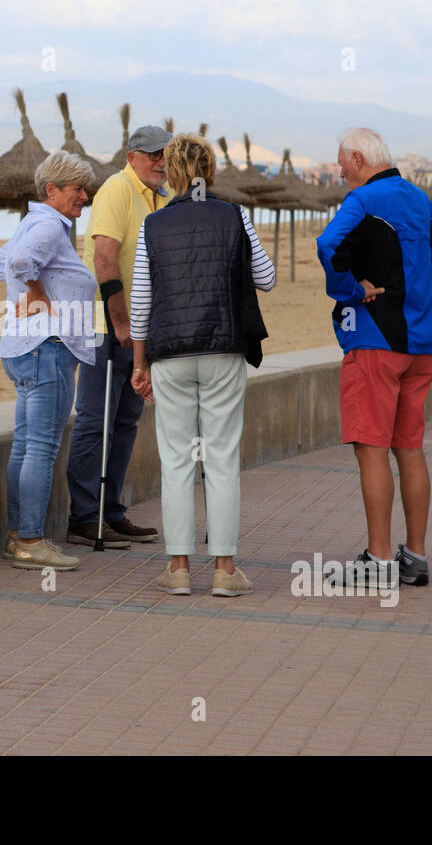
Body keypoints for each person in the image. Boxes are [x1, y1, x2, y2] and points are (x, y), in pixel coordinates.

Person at [130, 134, 274, 596]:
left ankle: (177, 569)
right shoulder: (235, 216)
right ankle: (225, 571)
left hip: (169, 352)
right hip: (223, 348)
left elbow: (140, 305)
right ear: (210, 171)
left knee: (175, 461)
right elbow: (266, 278)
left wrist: (140, 364)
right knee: (222, 458)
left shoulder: (153, 226)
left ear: (169, 173)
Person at [316, 128, 432, 589]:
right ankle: (414, 556)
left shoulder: (364, 200)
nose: (339, 172)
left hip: (376, 341)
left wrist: (353, 290)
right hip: (422, 342)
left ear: (358, 158)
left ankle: (377, 561)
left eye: (341, 163)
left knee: (371, 447)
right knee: (410, 448)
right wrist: (419, 278)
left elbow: (328, 246)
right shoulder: (416, 196)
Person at [63, 124, 172, 548]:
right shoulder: (116, 189)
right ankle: (83, 518)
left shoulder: (161, 197)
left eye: (165, 153)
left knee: (127, 419)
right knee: (94, 420)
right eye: (152, 154)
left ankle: (112, 512)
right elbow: (105, 257)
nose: (161, 160)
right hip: (104, 329)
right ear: (132, 157)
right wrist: (120, 322)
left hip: (139, 332)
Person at [0, 150, 98, 570]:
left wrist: (30, 288)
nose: (84, 197)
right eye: (77, 189)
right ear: (51, 190)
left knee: (26, 445)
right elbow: (16, 263)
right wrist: (35, 292)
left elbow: (0, 262)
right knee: (41, 446)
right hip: (47, 347)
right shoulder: (51, 224)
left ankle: (19, 535)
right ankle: (32, 541)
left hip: (22, 347)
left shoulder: (33, 222)